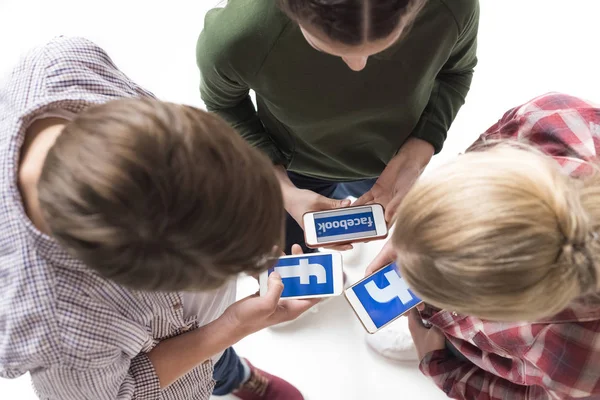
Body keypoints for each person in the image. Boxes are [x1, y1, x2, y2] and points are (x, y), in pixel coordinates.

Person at [0, 36, 318, 400]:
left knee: (220, 362)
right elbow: (121, 393)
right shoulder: (60, 327)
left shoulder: (64, 63)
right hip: (168, 366)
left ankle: (232, 372)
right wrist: (232, 325)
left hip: (197, 331)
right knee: (210, 358)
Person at [197, 0, 480, 254]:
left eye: (383, 43)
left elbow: (455, 71)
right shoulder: (237, 37)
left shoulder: (453, 7)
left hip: (392, 161)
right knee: (291, 252)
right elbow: (224, 105)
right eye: (327, 46)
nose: (357, 65)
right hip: (291, 166)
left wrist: (418, 151)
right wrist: (281, 189)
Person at [368, 93, 600, 399]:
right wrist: (418, 239)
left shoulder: (580, 368)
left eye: (438, 298)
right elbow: (481, 153)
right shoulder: (551, 119)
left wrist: (438, 364)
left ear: (503, 311)